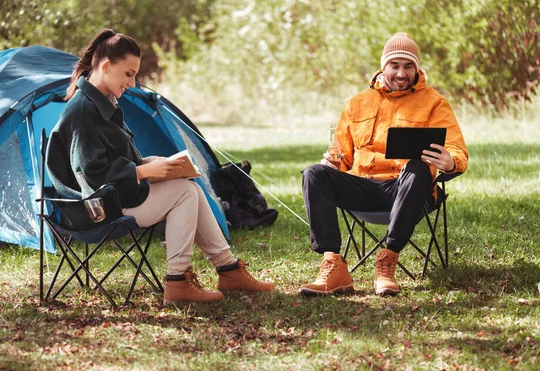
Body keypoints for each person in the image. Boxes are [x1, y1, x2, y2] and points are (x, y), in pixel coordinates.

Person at [46, 29, 274, 306]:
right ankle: (178, 282)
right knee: (184, 192)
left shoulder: (102, 103)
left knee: (189, 187)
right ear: (105, 67)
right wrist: (142, 173)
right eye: (128, 74)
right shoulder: (85, 112)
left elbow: (108, 161)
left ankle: (229, 270)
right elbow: (91, 178)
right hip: (95, 211)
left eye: (134, 75)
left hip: (115, 198)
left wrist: (150, 163)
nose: (132, 83)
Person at [299, 32, 468, 296]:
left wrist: (450, 162)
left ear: (417, 68)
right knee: (314, 173)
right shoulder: (356, 103)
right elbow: (342, 153)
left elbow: (457, 149)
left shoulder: (434, 103)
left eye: (408, 66)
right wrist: (333, 162)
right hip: (363, 187)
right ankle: (333, 265)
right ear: (383, 67)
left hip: (408, 190)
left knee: (418, 167)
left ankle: (387, 260)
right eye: (395, 66)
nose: (402, 74)